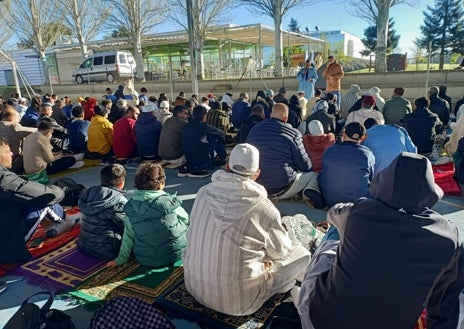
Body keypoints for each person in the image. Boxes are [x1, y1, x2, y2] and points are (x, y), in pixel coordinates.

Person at [295, 152, 464, 329]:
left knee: (332, 241)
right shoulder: (450, 238)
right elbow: (446, 309)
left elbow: (333, 214)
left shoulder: (358, 212)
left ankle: (302, 295)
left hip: (318, 322)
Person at [183, 143, 310, 316]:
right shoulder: (264, 208)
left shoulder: (202, 193)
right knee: (302, 254)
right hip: (240, 303)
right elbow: (281, 252)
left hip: (195, 288)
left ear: (227, 167)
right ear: (256, 174)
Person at [108, 163, 189, 267]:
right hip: (177, 253)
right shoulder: (168, 202)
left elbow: (128, 236)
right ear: (161, 184)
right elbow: (186, 220)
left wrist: (120, 259)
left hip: (146, 259)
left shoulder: (130, 207)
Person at [0, 137, 65, 264]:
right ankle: (65, 221)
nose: (12, 154)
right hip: (5, 247)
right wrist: (60, 190)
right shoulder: (4, 180)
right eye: (8, 151)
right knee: (42, 199)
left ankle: (58, 223)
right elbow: (47, 195)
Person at [246, 103, 319, 200]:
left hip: (257, 185)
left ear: (271, 115)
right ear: (286, 118)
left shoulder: (254, 130)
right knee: (314, 175)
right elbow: (305, 165)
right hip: (282, 188)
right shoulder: (293, 133)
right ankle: (309, 191)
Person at [318, 122, 375, 208]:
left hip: (331, 201)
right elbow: (371, 179)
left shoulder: (330, 150)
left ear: (344, 134)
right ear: (363, 138)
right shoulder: (368, 155)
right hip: (358, 204)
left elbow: (323, 174)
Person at [78, 164, 128, 260]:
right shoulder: (118, 201)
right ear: (121, 183)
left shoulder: (89, 192)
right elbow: (127, 227)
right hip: (108, 251)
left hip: (83, 245)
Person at [179, 105, 226, 178]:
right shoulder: (204, 126)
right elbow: (222, 133)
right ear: (204, 116)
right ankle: (220, 157)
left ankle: (191, 166)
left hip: (187, 156)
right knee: (216, 138)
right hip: (202, 158)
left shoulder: (185, 126)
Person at [0, 106, 36, 173]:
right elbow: (33, 131)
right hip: (13, 161)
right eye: (18, 118)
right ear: (11, 118)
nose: (19, 121)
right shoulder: (12, 125)